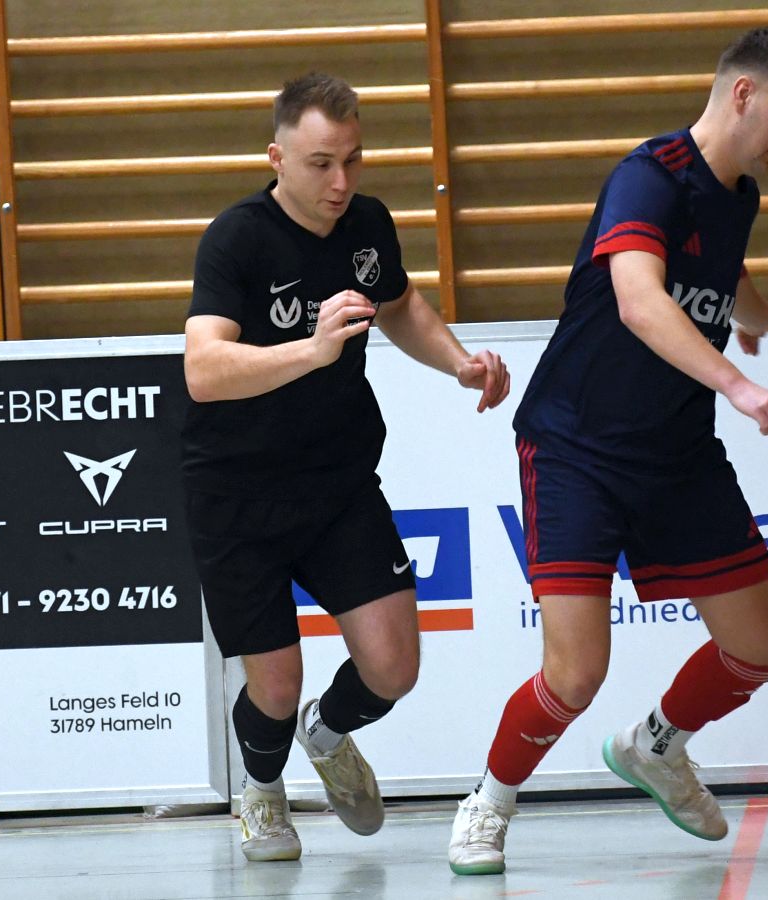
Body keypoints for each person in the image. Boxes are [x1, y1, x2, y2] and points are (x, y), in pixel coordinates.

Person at [447, 27, 768, 876]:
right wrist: (739, 385)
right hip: (577, 448)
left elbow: (722, 269)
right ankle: (488, 803)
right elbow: (638, 298)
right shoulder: (647, 177)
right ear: (743, 94)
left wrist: (756, 312)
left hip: (679, 455)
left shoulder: (739, 196)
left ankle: (656, 745)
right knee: (575, 673)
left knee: (762, 648)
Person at [182, 72, 510, 862]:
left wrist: (458, 362)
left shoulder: (367, 223)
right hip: (236, 494)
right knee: (273, 684)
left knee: (393, 667)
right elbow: (203, 369)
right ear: (277, 158)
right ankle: (262, 790)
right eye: (321, 163)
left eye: (353, 160)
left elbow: (397, 303)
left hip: (336, 485)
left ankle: (327, 733)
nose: (340, 182)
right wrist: (314, 349)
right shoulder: (237, 239)